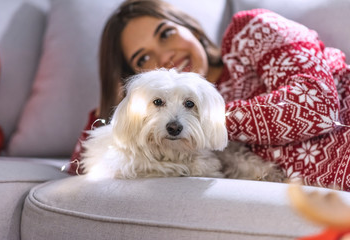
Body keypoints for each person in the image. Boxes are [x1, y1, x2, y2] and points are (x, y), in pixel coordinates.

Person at [69, 0, 350, 191]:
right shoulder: (162, 127)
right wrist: (126, 112)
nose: (165, 56)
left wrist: (203, 118)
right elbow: (79, 169)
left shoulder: (250, 32)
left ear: (189, 26)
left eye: (166, 34)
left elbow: (317, 106)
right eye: (144, 58)